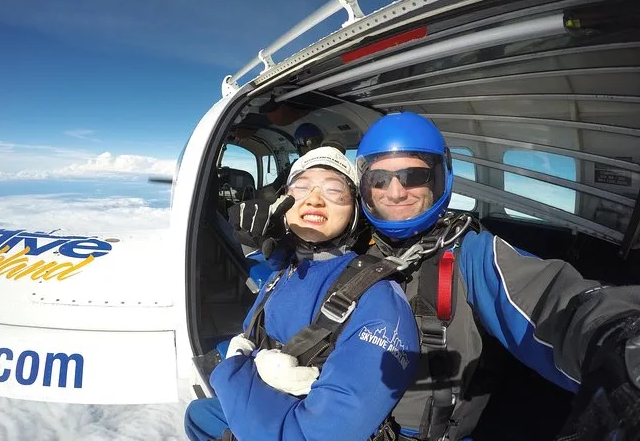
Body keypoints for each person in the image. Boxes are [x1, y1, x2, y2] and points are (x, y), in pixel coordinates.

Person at [229, 112, 640, 441]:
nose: (395, 191)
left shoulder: (469, 254)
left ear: (440, 179)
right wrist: (274, 243)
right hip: (325, 412)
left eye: (414, 176)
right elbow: (302, 277)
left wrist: (618, 338)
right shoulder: (354, 239)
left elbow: (555, 303)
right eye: (379, 179)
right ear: (365, 190)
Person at [185, 146, 420, 441]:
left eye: (334, 190)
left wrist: (233, 371)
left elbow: (314, 435)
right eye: (301, 187)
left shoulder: (379, 301)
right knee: (197, 416)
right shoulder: (288, 269)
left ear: (355, 211)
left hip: (292, 426)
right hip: (265, 408)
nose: (314, 199)